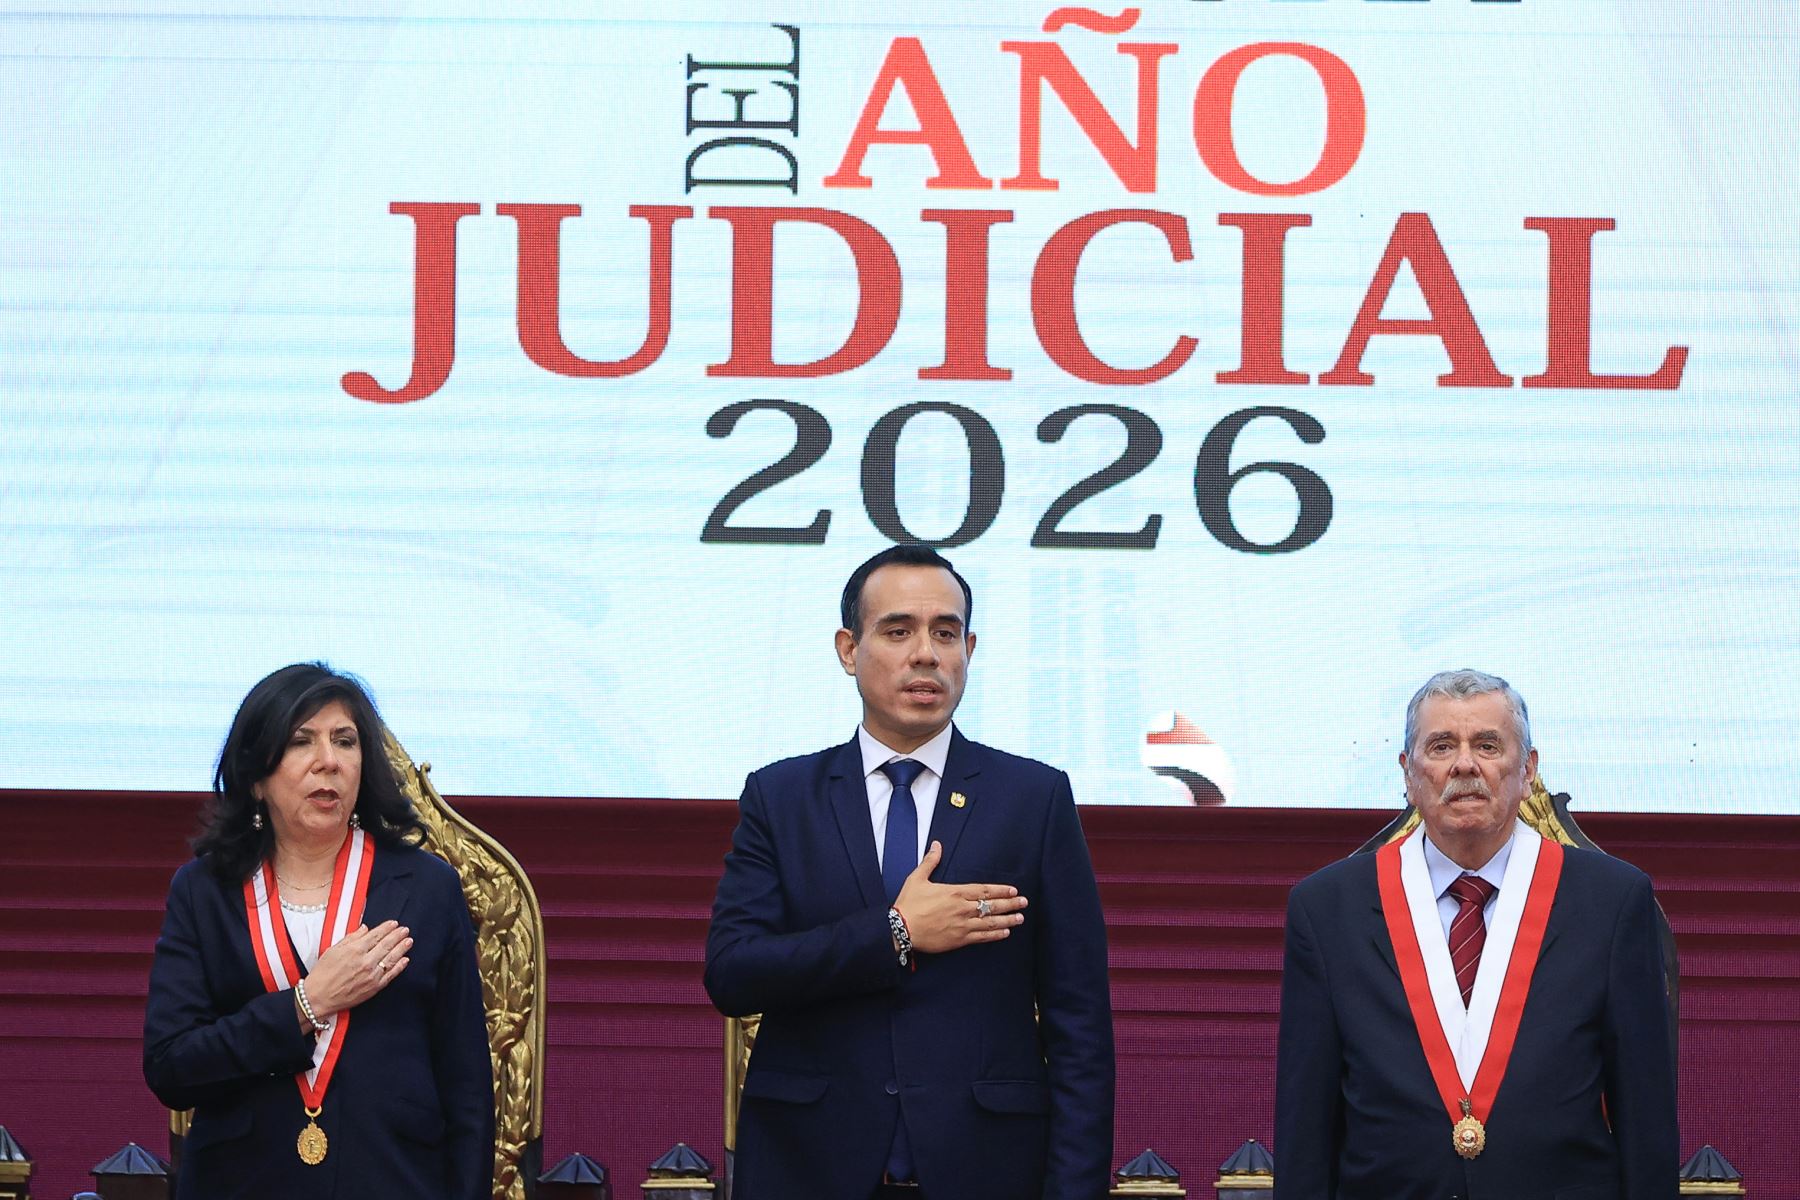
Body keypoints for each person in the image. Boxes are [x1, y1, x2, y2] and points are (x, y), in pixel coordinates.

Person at [705, 545, 1115, 1200]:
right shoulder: (782, 798)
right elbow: (733, 973)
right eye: (898, 631)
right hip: (812, 1167)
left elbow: (1080, 1024)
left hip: (985, 1168)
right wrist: (895, 933)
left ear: (969, 650)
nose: (926, 653)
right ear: (849, 648)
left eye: (945, 633)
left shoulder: (1031, 800)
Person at [1274, 669, 1677, 1200]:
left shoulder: (1612, 900)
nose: (1465, 764)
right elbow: (1306, 1125)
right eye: (1441, 746)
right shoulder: (1327, 909)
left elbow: (1644, 1114)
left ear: (1528, 769)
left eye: (1487, 744)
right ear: (1408, 773)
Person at [143, 663, 494, 1200]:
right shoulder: (204, 891)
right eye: (301, 741)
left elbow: (467, 1091)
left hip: (393, 1179)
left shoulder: (426, 889)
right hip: (243, 1182)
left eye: (345, 741)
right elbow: (172, 1067)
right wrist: (306, 1003)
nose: (327, 761)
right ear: (257, 776)